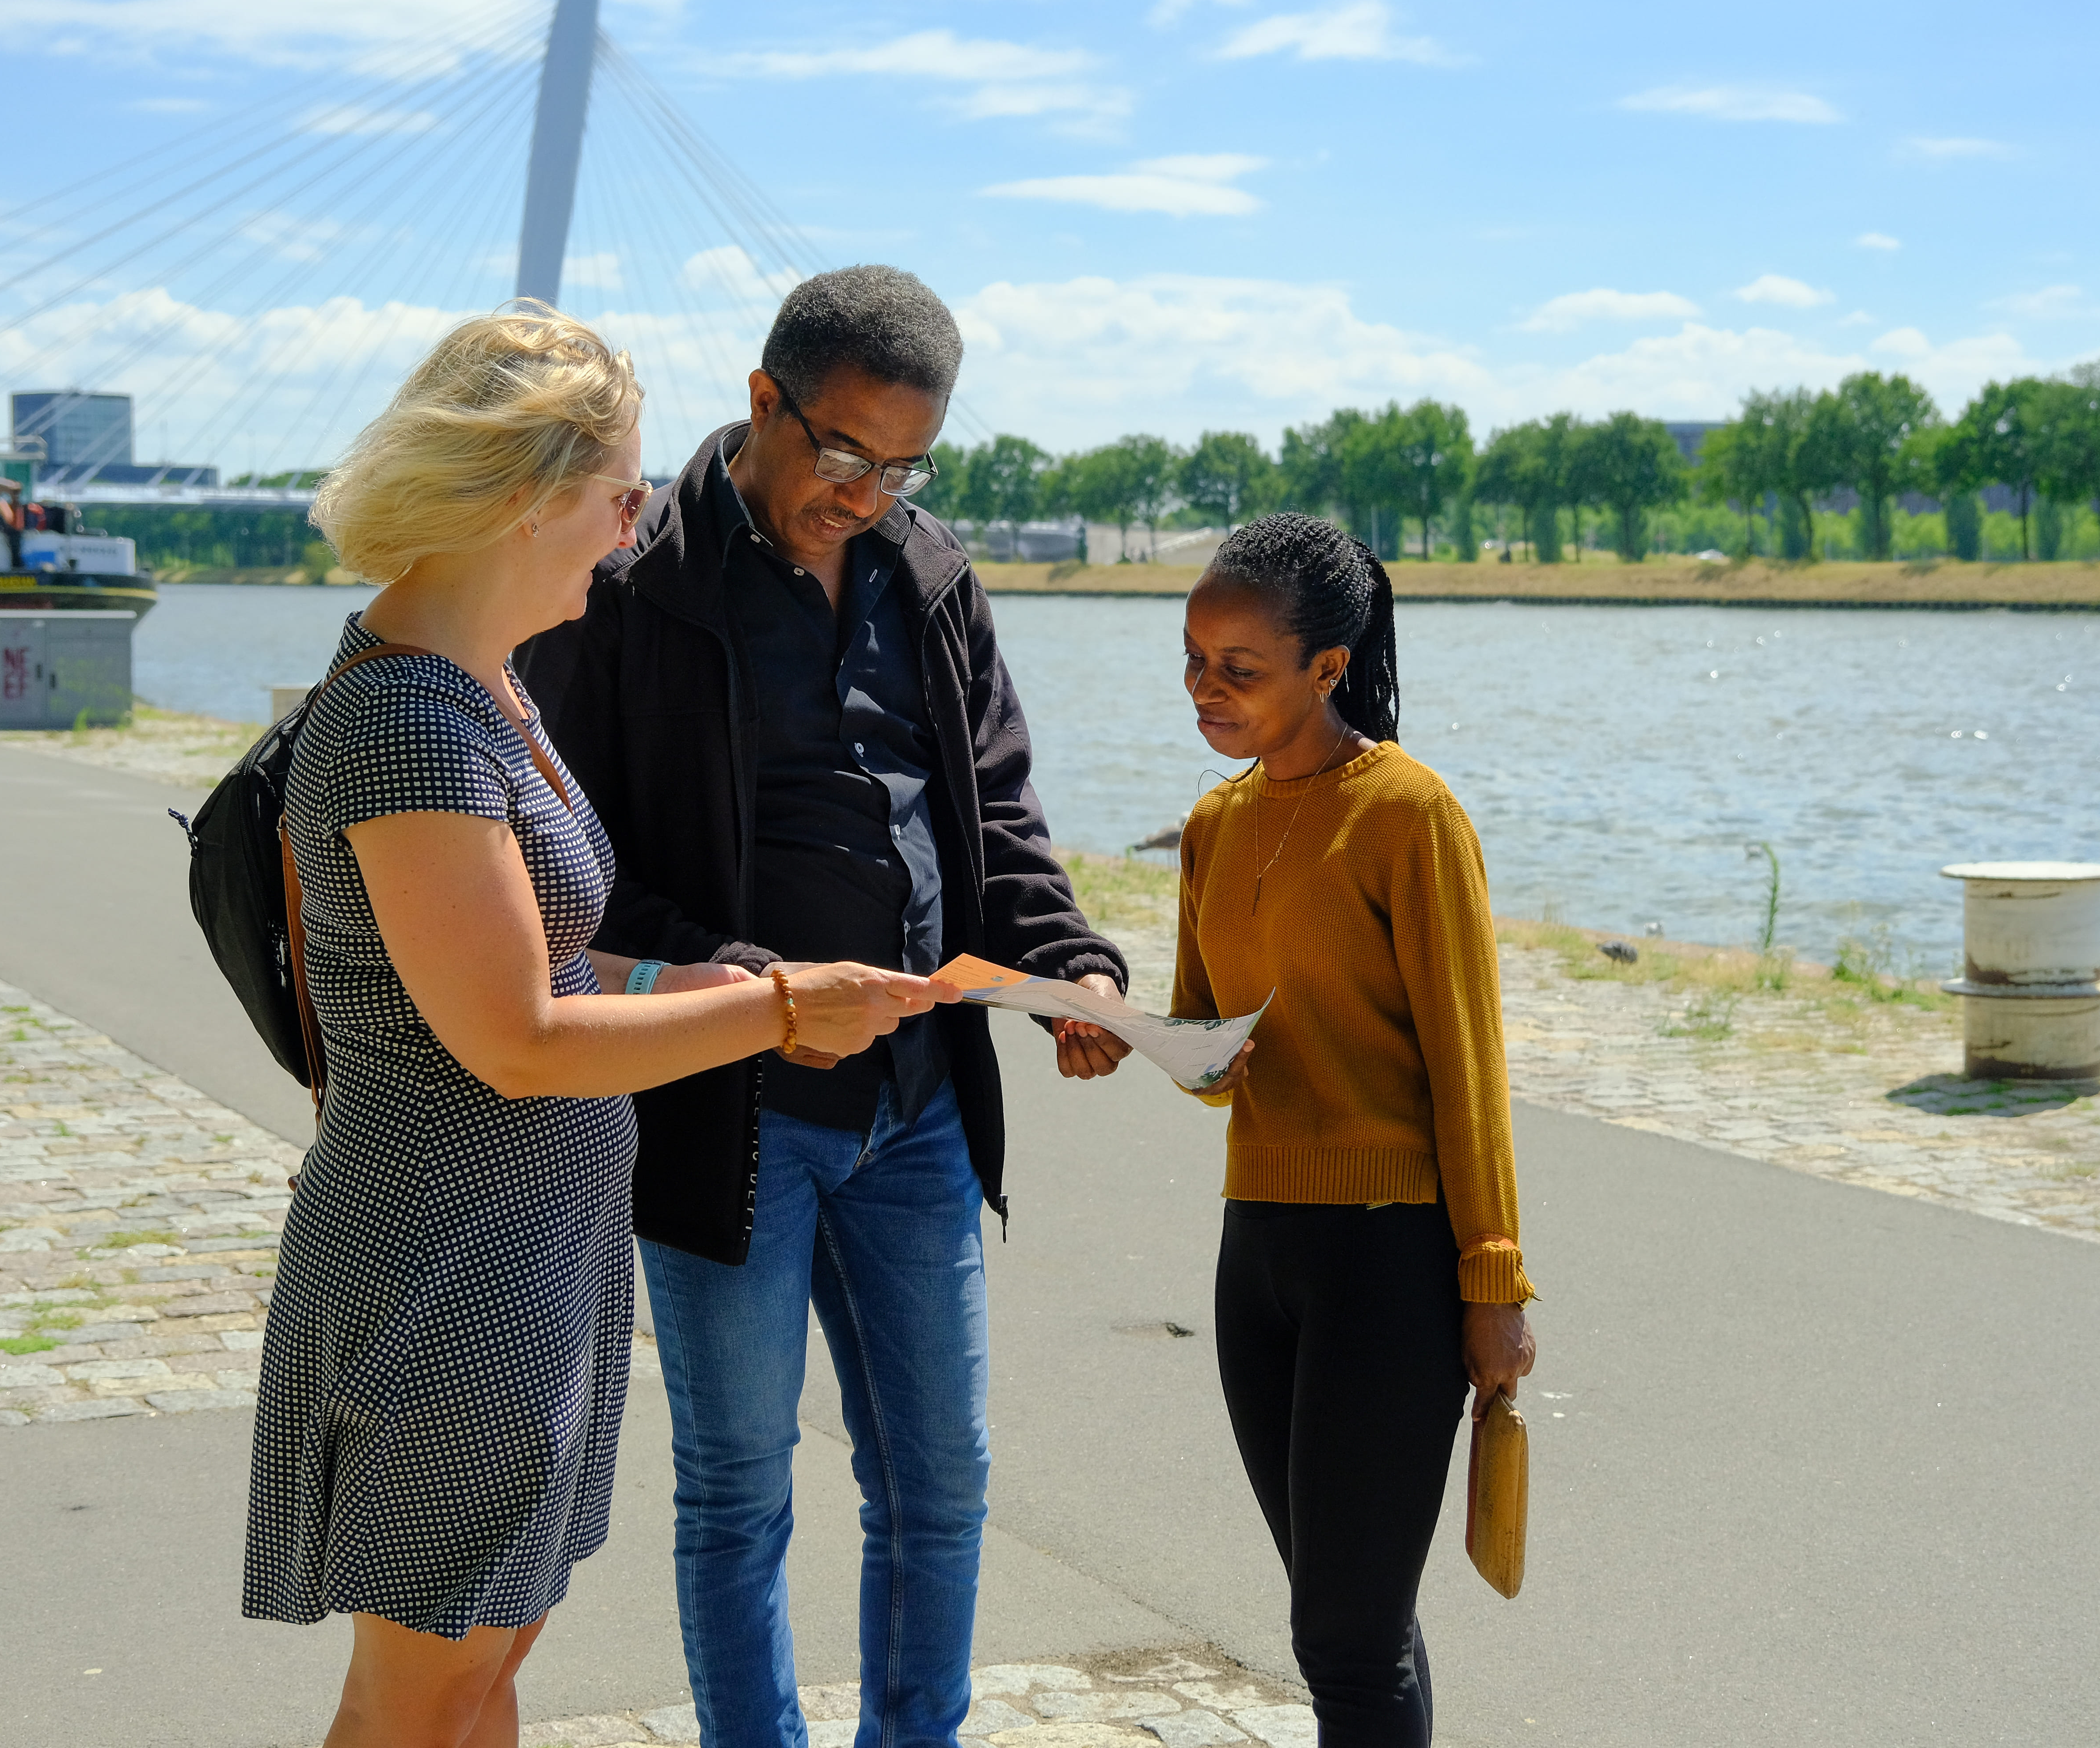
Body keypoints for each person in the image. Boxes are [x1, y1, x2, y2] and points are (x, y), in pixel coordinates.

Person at [241, 303, 960, 1748]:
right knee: (422, 1696)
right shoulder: (408, 727)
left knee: (476, 1679)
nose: (634, 528)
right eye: (619, 492)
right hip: (449, 1271)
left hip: (524, 1260)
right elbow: (514, 1038)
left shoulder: (488, 690)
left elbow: (565, 969)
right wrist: (769, 1012)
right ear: (523, 496)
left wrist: (745, 991)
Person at [518, 265, 1132, 1748]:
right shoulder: (622, 582)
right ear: (761, 402)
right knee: (736, 1488)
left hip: (916, 1111)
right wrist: (763, 990)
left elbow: (993, 814)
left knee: (942, 1479)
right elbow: (565, 881)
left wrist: (1075, 968)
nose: (866, 494)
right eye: (843, 454)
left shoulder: (931, 572)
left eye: (903, 465)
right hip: (728, 1110)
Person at [1169, 513, 1537, 1748]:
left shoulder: (1408, 814)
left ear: (1328, 668)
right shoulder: (1216, 824)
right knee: (1348, 1622)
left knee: (1346, 1635)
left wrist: (1493, 1282)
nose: (1206, 691)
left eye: (1239, 668)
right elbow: (1210, 1051)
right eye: (1193, 661)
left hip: (1390, 1262)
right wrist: (1139, 1039)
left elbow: (1469, 1067)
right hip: (1256, 1253)